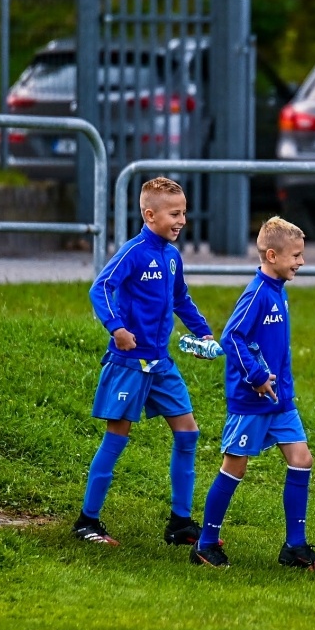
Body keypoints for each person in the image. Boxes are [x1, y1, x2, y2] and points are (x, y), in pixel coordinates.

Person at [73, 177, 214, 547]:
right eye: (174, 213)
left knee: (188, 433)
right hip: (128, 364)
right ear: (150, 215)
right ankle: (87, 521)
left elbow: (181, 298)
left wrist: (204, 333)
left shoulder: (172, 256)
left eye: (183, 212)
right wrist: (117, 328)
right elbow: (99, 287)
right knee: (116, 439)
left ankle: (180, 523)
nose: (182, 220)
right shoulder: (133, 251)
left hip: (161, 364)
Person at [192, 216, 315, 572]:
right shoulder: (257, 293)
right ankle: (205, 544)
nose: (301, 262)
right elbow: (233, 337)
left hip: (280, 401)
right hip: (252, 402)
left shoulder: (278, 292)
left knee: (302, 459)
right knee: (234, 468)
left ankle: (295, 547)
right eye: (296, 256)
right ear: (272, 255)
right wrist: (256, 376)